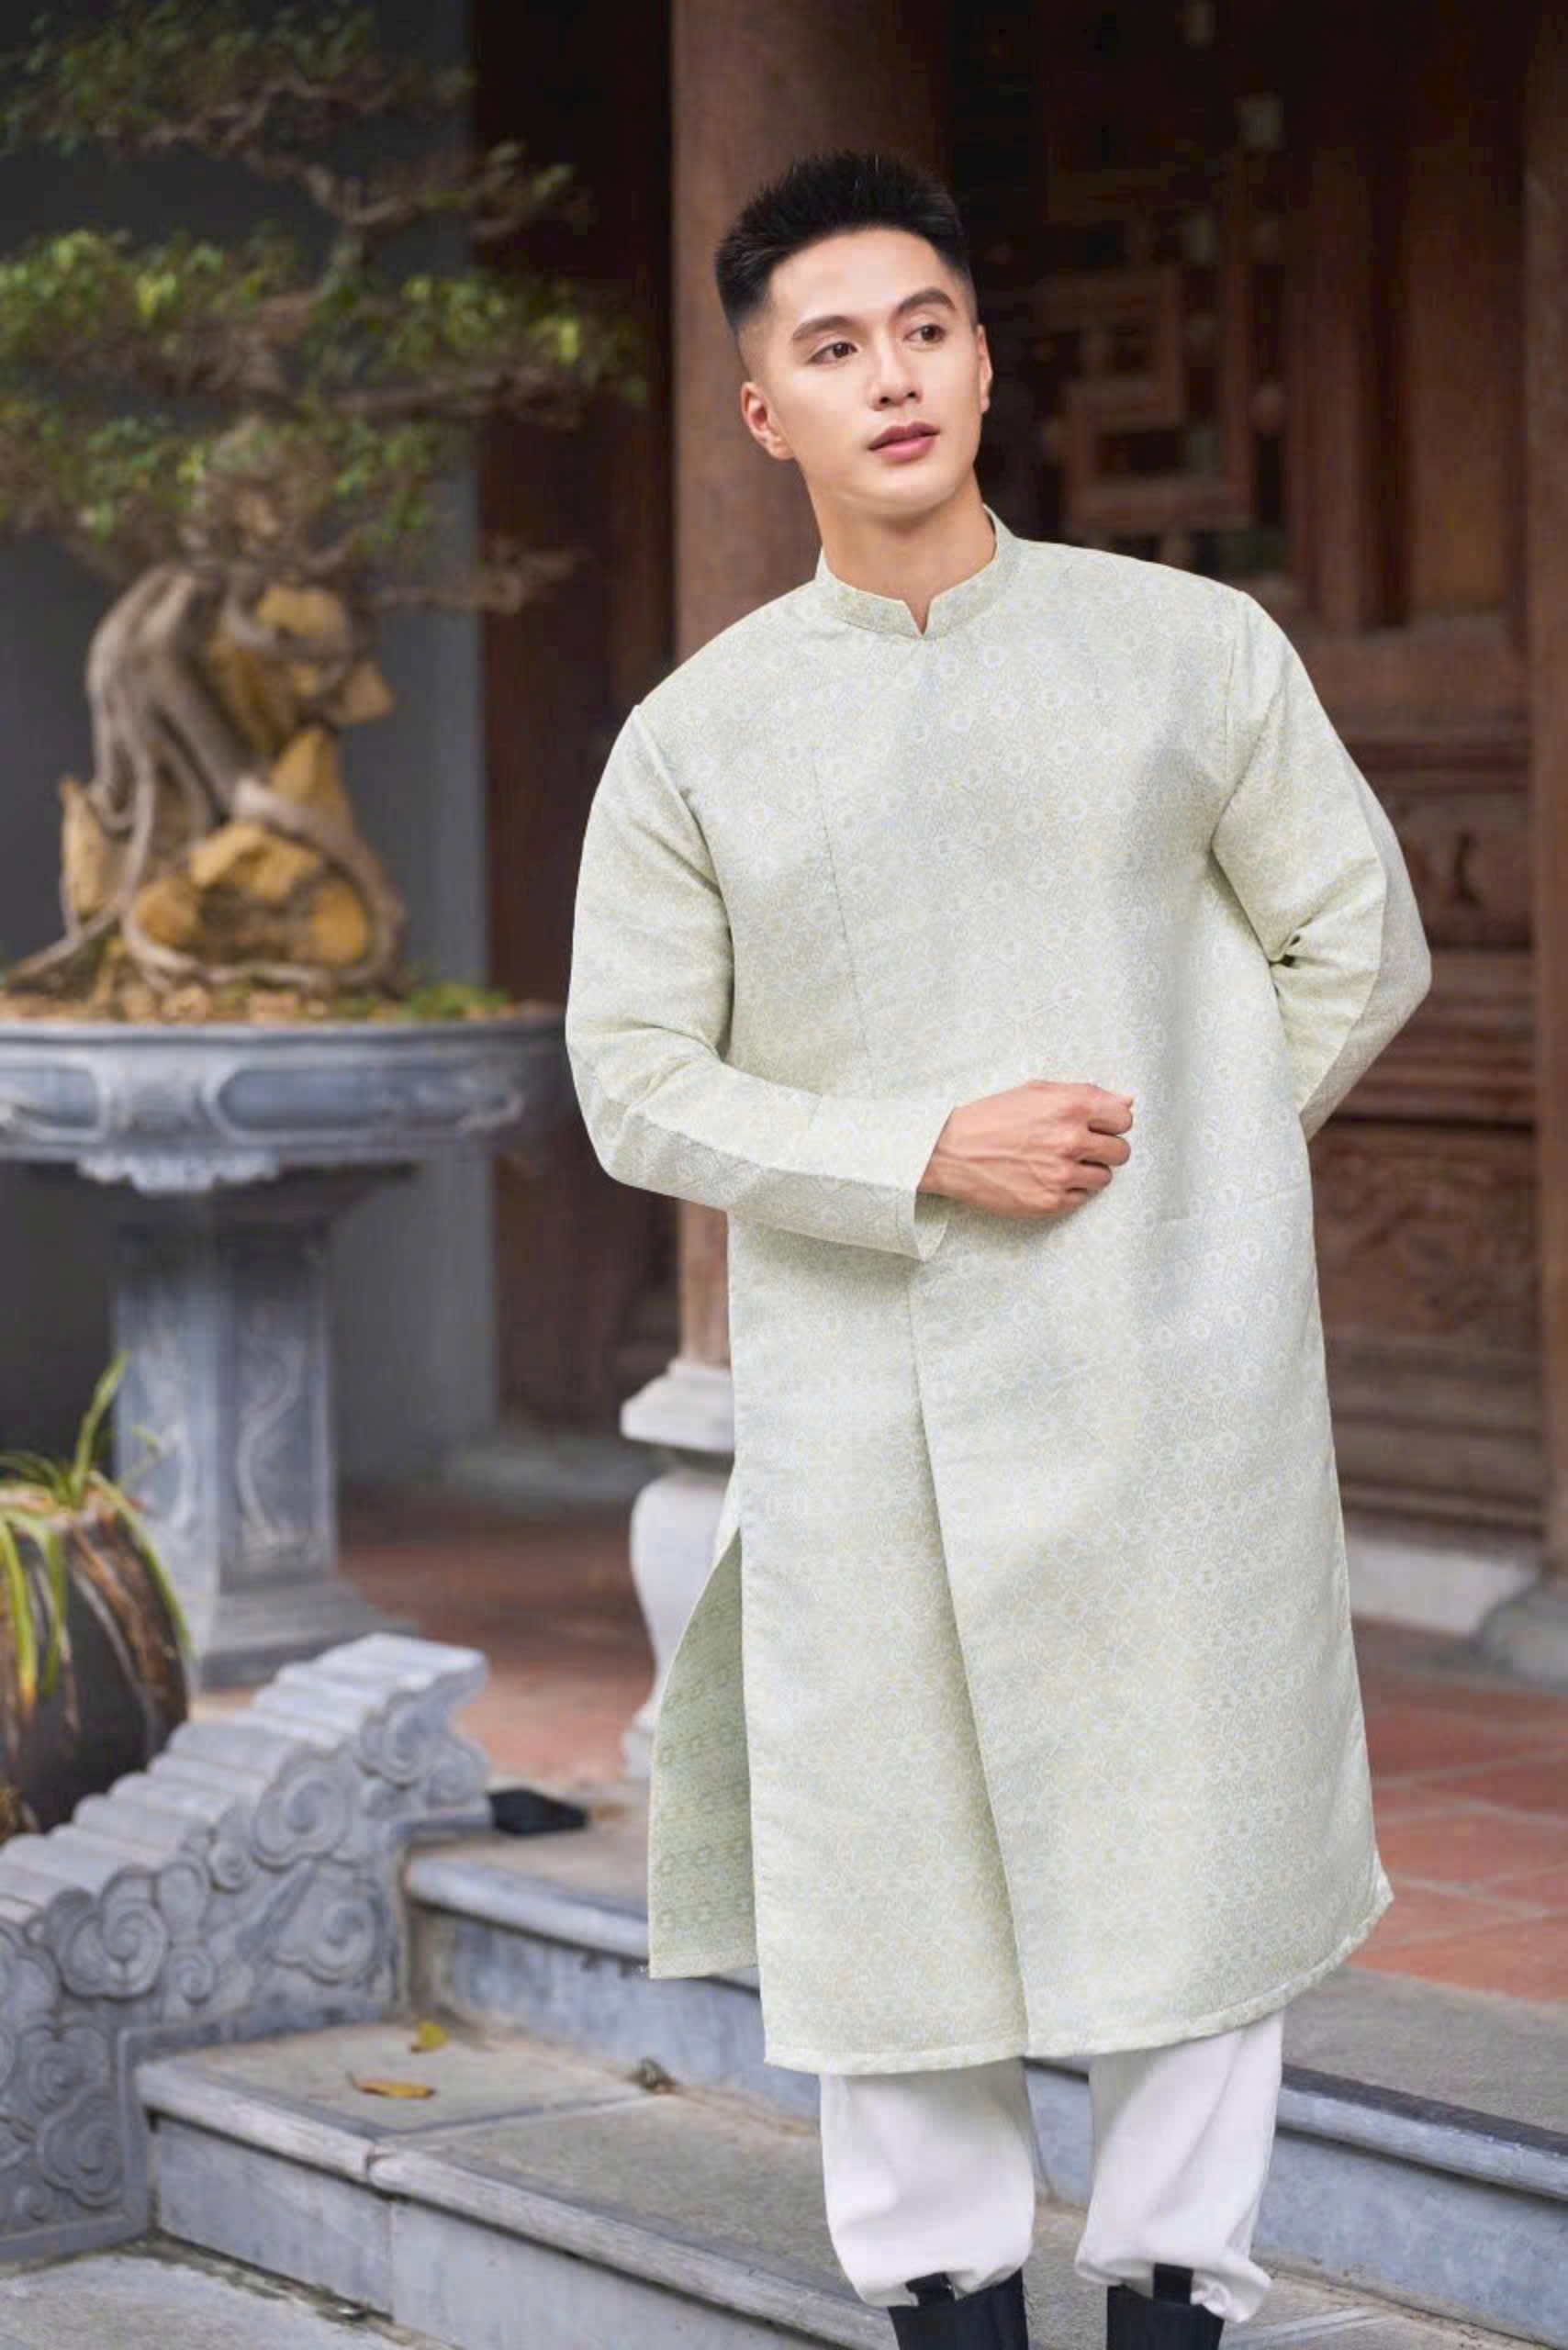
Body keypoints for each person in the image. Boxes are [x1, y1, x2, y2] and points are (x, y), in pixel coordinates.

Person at [564, 148, 1431, 2350]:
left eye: (923, 328)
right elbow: (632, 1081)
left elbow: (1352, 937)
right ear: (762, 408)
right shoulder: (694, 740)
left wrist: (1189, 1173)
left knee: (1197, 1845)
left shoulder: (1185, 649)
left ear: (978, 359)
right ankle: (940, 2304)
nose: (890, 376)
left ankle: (1174, 2297)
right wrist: (917, 1149)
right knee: (894, 1876)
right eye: (831, 346)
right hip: (871, 1385)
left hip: (1169, 1362)